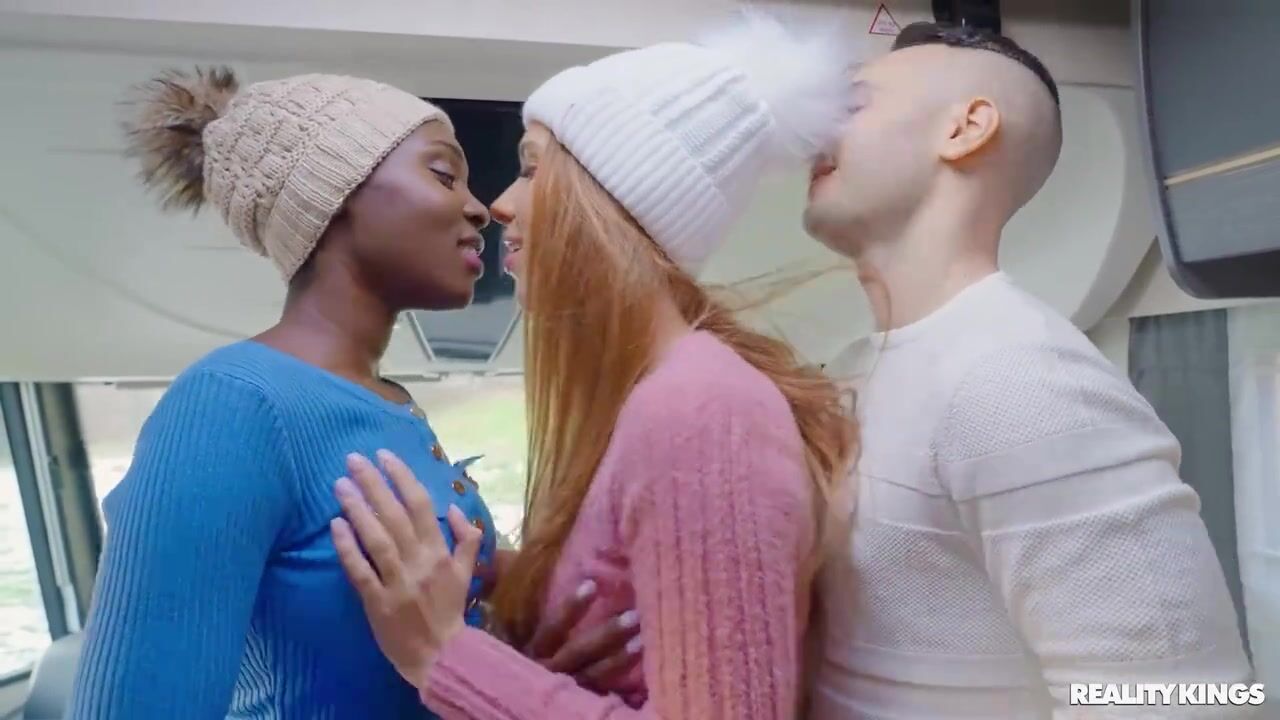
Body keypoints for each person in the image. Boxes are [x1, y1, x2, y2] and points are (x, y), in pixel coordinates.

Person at [324, 14, 861, 720]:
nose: (501, 205)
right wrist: (503, 584)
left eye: (532, 168)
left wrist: (443, 655)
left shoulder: (702, 411)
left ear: (612, 197)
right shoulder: (654, 404)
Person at [70, 68, 634, 719]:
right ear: (334, 195)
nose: (479, 208)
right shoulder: (234, 404)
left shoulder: (387, 404)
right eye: (443, 175)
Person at [802, 22, 1256, 718]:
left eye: (853, 103)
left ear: (966, 129)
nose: (814, 128)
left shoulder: (1020, 378)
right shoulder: (858, 368)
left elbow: (1182, 701)